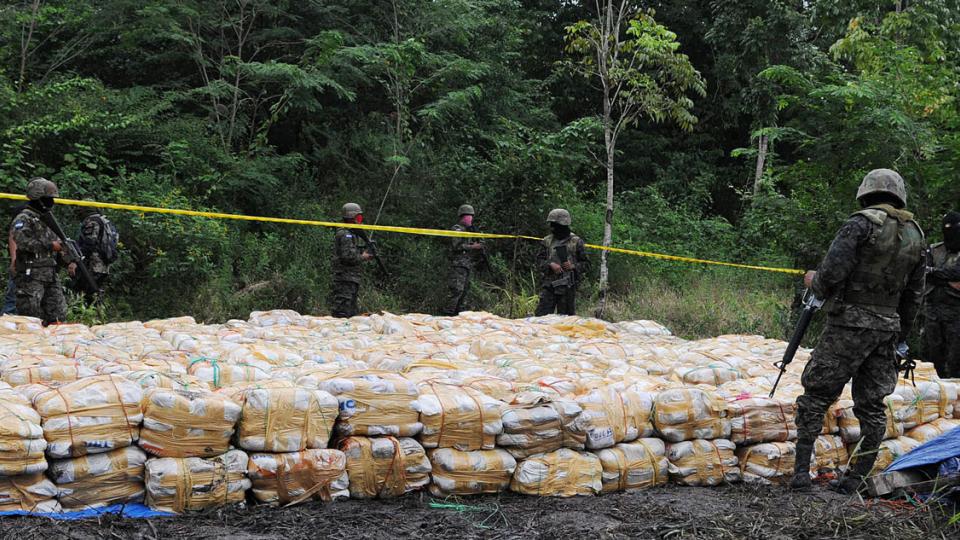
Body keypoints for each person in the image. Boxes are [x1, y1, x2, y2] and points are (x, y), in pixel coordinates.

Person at [790, 169, 925, 494]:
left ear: (866, 193)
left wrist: (816, 282)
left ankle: (800, 478)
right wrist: (899, 333)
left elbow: (832, 271)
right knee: (872, 405)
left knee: (817, 394)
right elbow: (914, 295)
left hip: (848, 325)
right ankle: (854, 479)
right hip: (886, 330)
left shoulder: (861, 224)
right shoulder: (915, 235)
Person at [10, 178, 77, 325]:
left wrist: (70, 260)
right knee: (31, 318)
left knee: (58, 316)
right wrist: (50, 246)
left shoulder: (47, 219)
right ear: (38, 198)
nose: (51, 202)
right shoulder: (24, 218)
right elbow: (22, 241)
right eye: (48, 199)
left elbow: (59, 245)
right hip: (31, 275)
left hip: (50, 274)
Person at [923, 211, 960, 378]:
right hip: (932, 310)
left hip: (955, 312)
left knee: (955, 358)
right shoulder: (935, 249)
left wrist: (935, 274)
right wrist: (947, 278)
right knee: (933, 356)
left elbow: (957, 273)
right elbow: (923, 272)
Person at [534, 208, 589, 317]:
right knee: (540, 318)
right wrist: (550, 264)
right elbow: (538, 260)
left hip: (567, 289)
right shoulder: (547, 241)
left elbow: (587, 265)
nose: (552, 228)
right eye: (551, 224)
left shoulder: (576, 242)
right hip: (549, 286)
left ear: (563, 225)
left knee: (566, 322)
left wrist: (573, 266)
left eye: (555, 225)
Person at [440, 204, 485, 316]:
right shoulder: (457, 229)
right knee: (456, 291)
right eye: (469, 216)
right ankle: (447, 314)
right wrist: (473, 246)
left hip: (466, 265)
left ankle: (457, 315)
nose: (471, 219)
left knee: (464, 291)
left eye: (471, 216)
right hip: (458, 265)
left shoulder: (469, 230)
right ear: (463, 217)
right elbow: (457, 246)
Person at [329, 202, 372, 318]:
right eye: (358, 217)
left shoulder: (351, 233)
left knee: (350, 313)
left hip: (350, 278)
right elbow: (348, 256)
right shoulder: (345, 234)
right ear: (351, 217)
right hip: (345, 277)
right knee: (342, 311)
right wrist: (363, 256)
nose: (360, 219)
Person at [74, 207, 118, 295]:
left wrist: (76, 260)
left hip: (92, 264)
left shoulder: (92, 222)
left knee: (85, 293)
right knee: (95, 293)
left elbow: (89, 243)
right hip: (103, 265)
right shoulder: (106, 222)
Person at [3, 203, 27, 315]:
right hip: (22, 262)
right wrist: (14, 260)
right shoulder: (23, 211)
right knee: (12, 300)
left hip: (40, 266)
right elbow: (13, 236)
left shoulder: (44, 212)